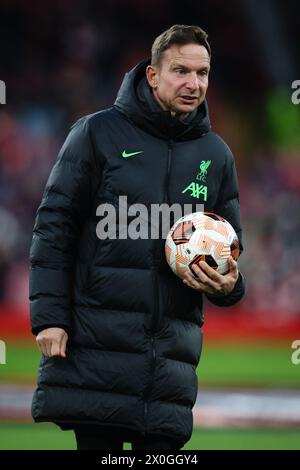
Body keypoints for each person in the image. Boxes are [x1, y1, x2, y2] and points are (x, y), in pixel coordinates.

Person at [29, 24, 245, 451]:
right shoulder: (96, 134)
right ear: (152, 75)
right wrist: (49, 317)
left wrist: (231, 285)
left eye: (202, 73)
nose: (193, 83)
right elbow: (54, 228)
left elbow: (231, 249)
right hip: (95, 353)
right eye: (180, 71)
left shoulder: (216, 154)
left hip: (167, 367)